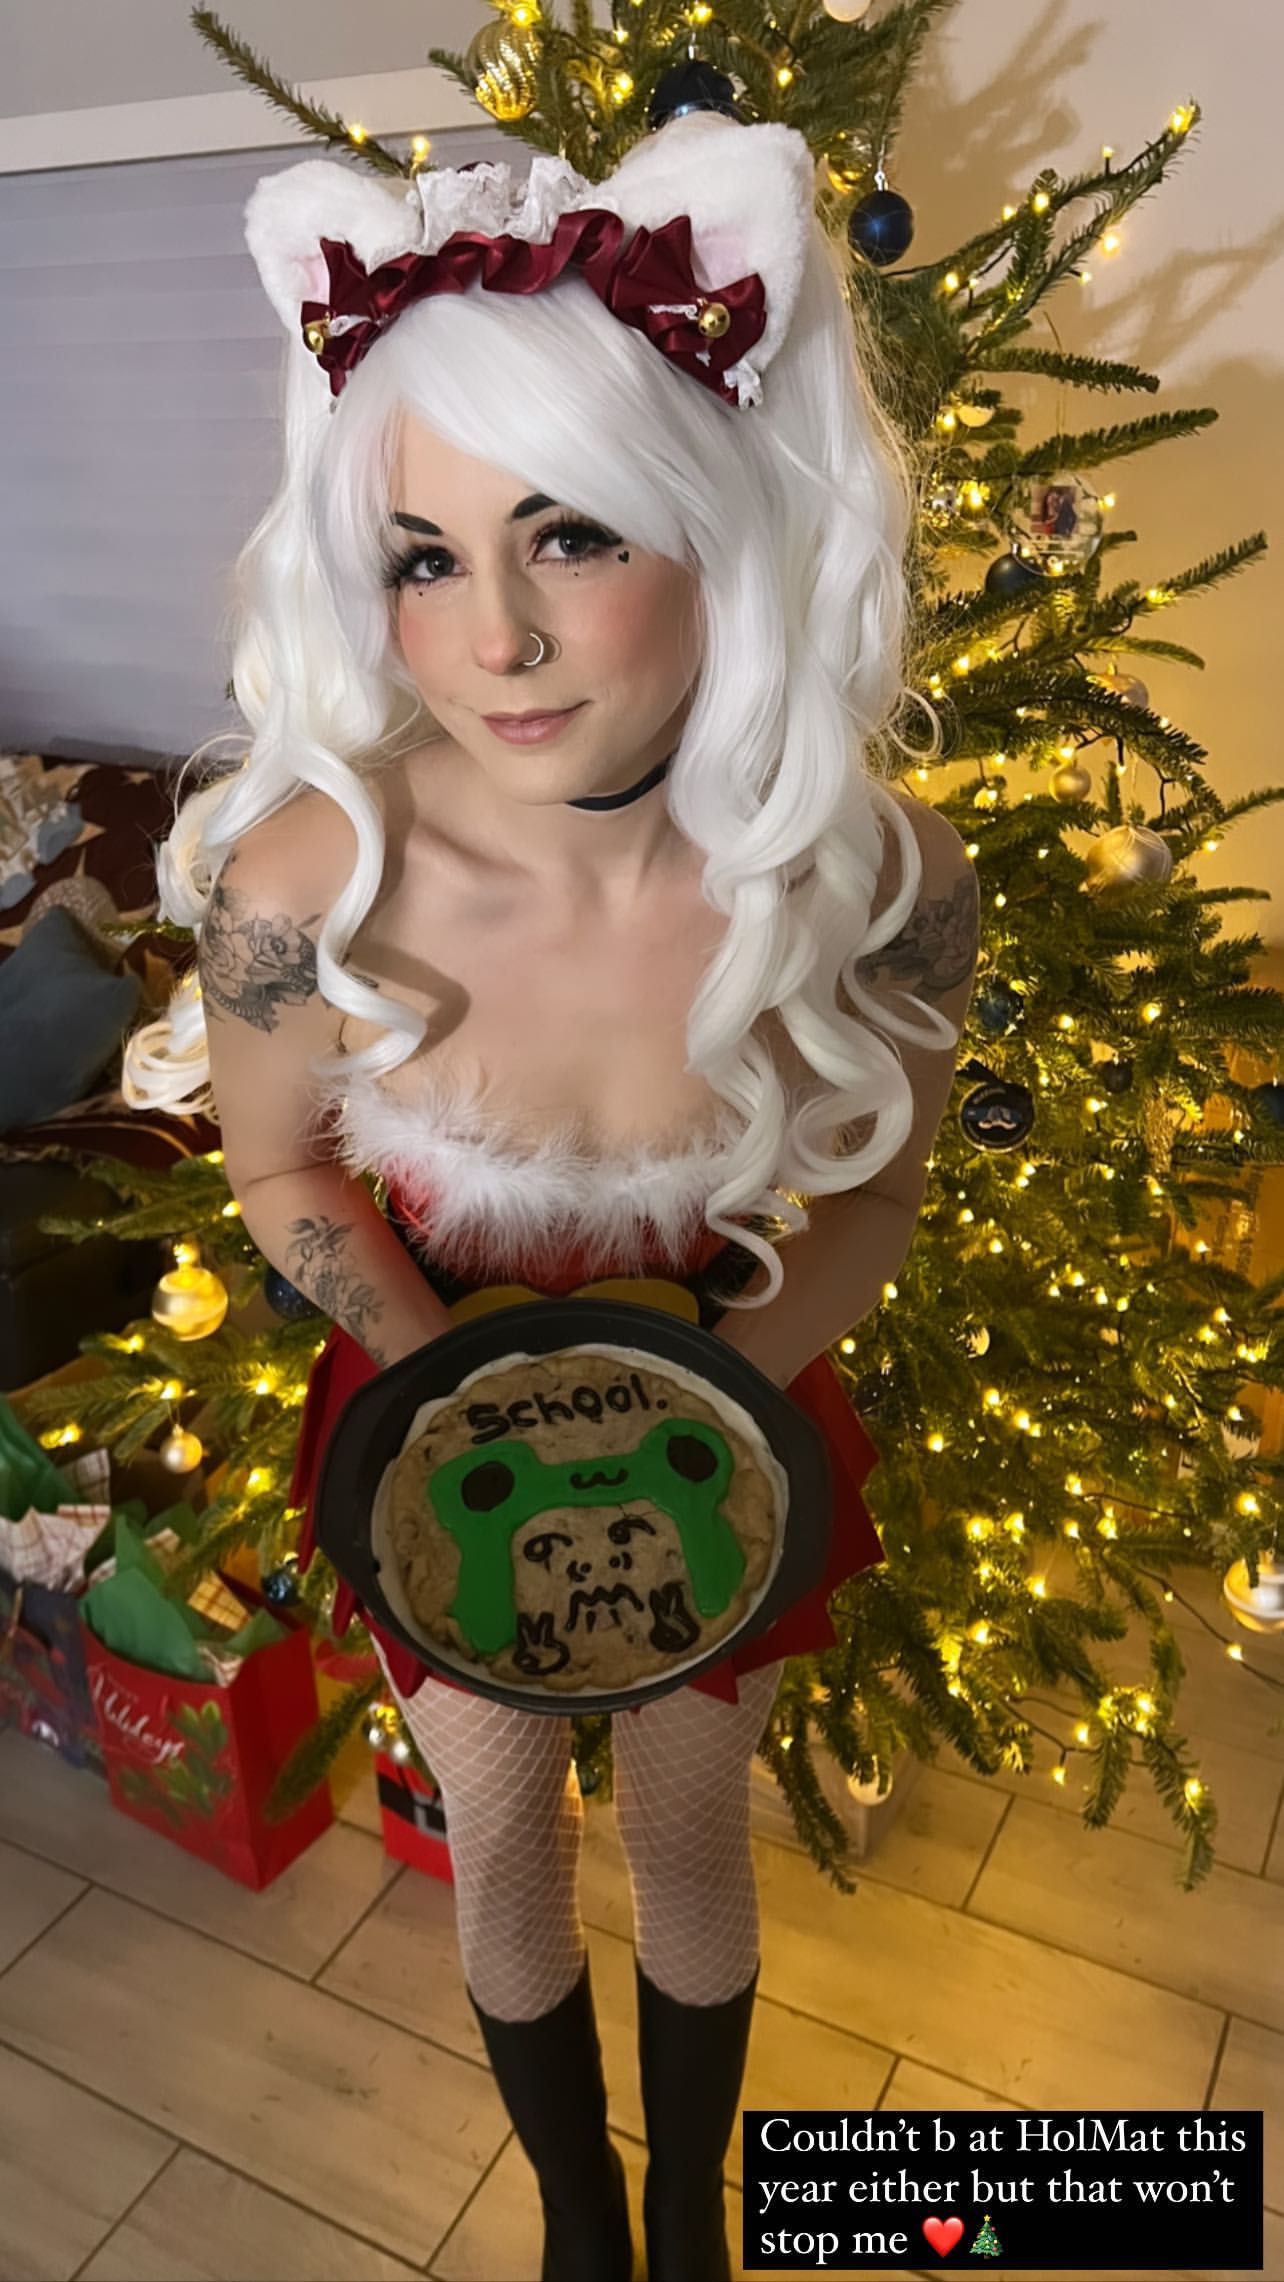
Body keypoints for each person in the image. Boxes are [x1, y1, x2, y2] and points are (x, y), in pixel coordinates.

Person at [124, 107, 978, 2282]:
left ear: (716, 518)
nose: (493, 636)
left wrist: (720, 1390)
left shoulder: (882, 880)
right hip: (433, 1410)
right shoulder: (301, 886)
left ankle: (694, 2216)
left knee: (695, 1836)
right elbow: (276, 1163)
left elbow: (884, 1191)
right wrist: (451, 1388)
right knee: (498, 1842)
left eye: (569, 535)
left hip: (731, 1394)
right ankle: (580, 2217)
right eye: (425, 557)